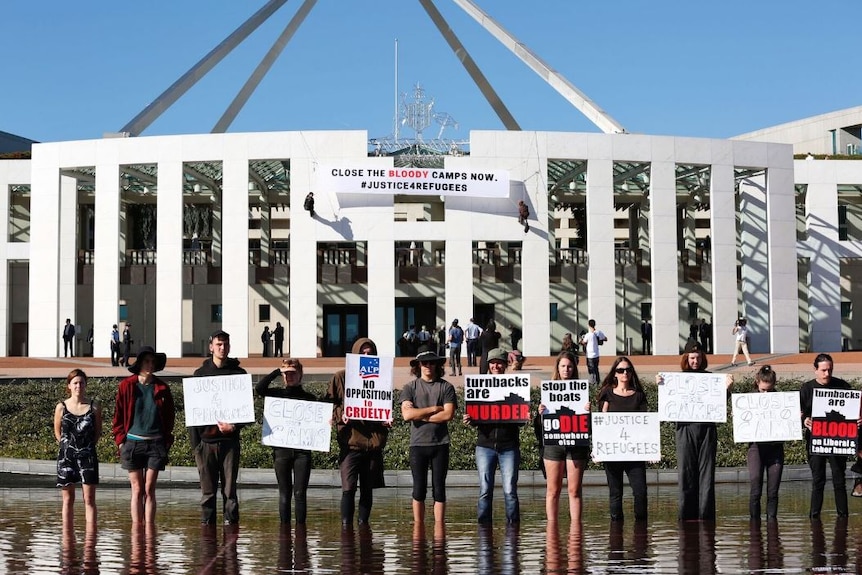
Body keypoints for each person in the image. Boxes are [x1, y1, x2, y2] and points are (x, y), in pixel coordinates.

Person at [659, 340, 732, 521]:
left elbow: (720, 404)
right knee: (686, 473)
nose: (695, 361)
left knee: (707, 474)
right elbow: (668, 403)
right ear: (686, 358)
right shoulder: (676, 380)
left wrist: (727, 389)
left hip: (707, 429)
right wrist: (660, 384)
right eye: (692, 358)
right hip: (684, 429)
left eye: (698, 357)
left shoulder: (711, 378)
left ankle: (706, 516)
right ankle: (686, 516)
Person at [325, 337, 390, 527]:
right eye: (363, 353)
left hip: (373, 443)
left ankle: (363, 526)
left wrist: (387, 418)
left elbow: (384, 402)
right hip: (350, 442)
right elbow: (327, 405)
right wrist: (340, 415)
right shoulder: (340, 377)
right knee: (348, 488)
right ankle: (346, 528)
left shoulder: (382, 377)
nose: (366, 356)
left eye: (370, 353)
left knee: (367, 489)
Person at [111, 346, 175, 524]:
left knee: (149, 488)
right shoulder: (126, 386)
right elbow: (118, 415)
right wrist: (121, 441)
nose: (150, 365)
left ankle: (149, 530)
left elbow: (170, 417)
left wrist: (166, 441)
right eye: (146, 361)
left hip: (155, 443)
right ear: (139, 363)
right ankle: (137, 530)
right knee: (137, 489)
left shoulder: (162, 388)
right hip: (132, 443)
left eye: (152, 362)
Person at [191, 330, 247, 525]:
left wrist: (235, 426)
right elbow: (193, 415)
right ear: (211, 347)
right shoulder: (200, 375)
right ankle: (208, 533)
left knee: (230, 492)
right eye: (219, 344)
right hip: (206, 443)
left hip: (229, 442)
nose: (222, 348)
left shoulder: (239, 374)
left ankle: (231, 534)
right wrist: (196, 446)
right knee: (207, 493)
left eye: (225, 345)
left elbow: (246, 411)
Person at [463, 348, 521, 525]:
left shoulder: (515, 385)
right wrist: (469, 420)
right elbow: (476, 418)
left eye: (499, 362)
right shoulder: (479, 386)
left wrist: (526, 414)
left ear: (505, 365)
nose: (496, 366)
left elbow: (519, 418)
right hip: (485, 445)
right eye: (492, 363)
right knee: (485, 489)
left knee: (510, 490)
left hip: (509, 446)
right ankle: (483, 529)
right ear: (488, 366)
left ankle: (513, 530)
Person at [256, 358, 317, 525]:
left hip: (302, 452)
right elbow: (259, 389)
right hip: (281, 450)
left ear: (300, 375)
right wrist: (277, 371)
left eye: (293, 373)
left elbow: (318, 420)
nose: (289, 377)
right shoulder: (276, 394)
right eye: (286, 374)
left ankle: (300, 530)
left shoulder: (309, 398)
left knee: (300, 493)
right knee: (284, 493)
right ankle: (284, 531)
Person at [401, 346, 457, 524]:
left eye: (431, 362)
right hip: (417, 445)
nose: (428, 366)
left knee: (439, 489)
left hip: (440, 444)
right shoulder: (410, 387)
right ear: (418, 365)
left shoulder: (446, 387)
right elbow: (407, 415)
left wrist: (420, 416)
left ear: (437, 365)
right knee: (419, 489)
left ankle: (439, 528)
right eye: (424, 362)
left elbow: (448, 414)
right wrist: (433, 409)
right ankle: (419, 527)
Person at [596, 357, 648, 522]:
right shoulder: (607, 393)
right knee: (615, 493)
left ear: (632, 373)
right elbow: (601, 424)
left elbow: (646, 424)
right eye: (620, 370)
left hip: (635, 454)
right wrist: (598, 449)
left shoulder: (639, 396)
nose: (624, 373)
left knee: (640, 493)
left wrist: (651, 448)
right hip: (613, 453)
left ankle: (641, 533)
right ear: (615, 374)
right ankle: (616, 537)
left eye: (628, 370)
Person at [539, 351, 589, 523]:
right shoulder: (548, 391)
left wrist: (588, 411)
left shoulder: (582, 391)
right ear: (557, 368)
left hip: (576, 444)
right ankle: (551, 530)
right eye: (563, 366)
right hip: (553, 445)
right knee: (553, 490)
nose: (566, 369)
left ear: (574, 369)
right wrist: (540, 413)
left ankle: (576, 531)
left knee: (574, 491)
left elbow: (589, 425)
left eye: (569, 366)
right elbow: (539, 428)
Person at [801, 353, 851, 519]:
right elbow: (798, 413)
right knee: (818, 480)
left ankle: (843, 517)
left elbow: (853, 410)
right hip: (815, 441)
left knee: (839, 480)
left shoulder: (843, 386)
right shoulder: (807, 389)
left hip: (838, 441)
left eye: (830, 370)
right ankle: (814, 518)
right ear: (815, 370)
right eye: (823, 370)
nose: (827, 374)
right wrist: (804, 419)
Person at [54, 369, 102, 526]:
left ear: (86, 385)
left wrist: (85, 447)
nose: (78, 386)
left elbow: (97, 432)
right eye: (75, 383)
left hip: (88, 457)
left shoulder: (94, 407)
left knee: (89, 499)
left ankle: (90, 540)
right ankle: (67, 537)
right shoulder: (61, 407)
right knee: (68, 499)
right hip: (67, 459)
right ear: (69, 385)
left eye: (81, 383)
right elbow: (58, 432)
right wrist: (67, 447)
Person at [747, 365, 784, 520]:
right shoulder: (748, 400)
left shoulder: (782, 400)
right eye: (763, 390)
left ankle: (772, 525)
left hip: (775, 448)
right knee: (756, 488)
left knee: (773, 491)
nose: (766, 394)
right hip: (756, 447)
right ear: (757, 383)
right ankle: (754, 527)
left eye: (769, 390)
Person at [579, 319, 606, 384]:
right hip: (596, 354)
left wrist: (580, 341)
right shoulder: (599, 332)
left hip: (590, 355)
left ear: (588, 325)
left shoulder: (588, 335)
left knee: (591, 370)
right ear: (594, 324)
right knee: (596, 368)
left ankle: (592, 383)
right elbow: (605, 338)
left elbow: (583, 342)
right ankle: (597, 382)